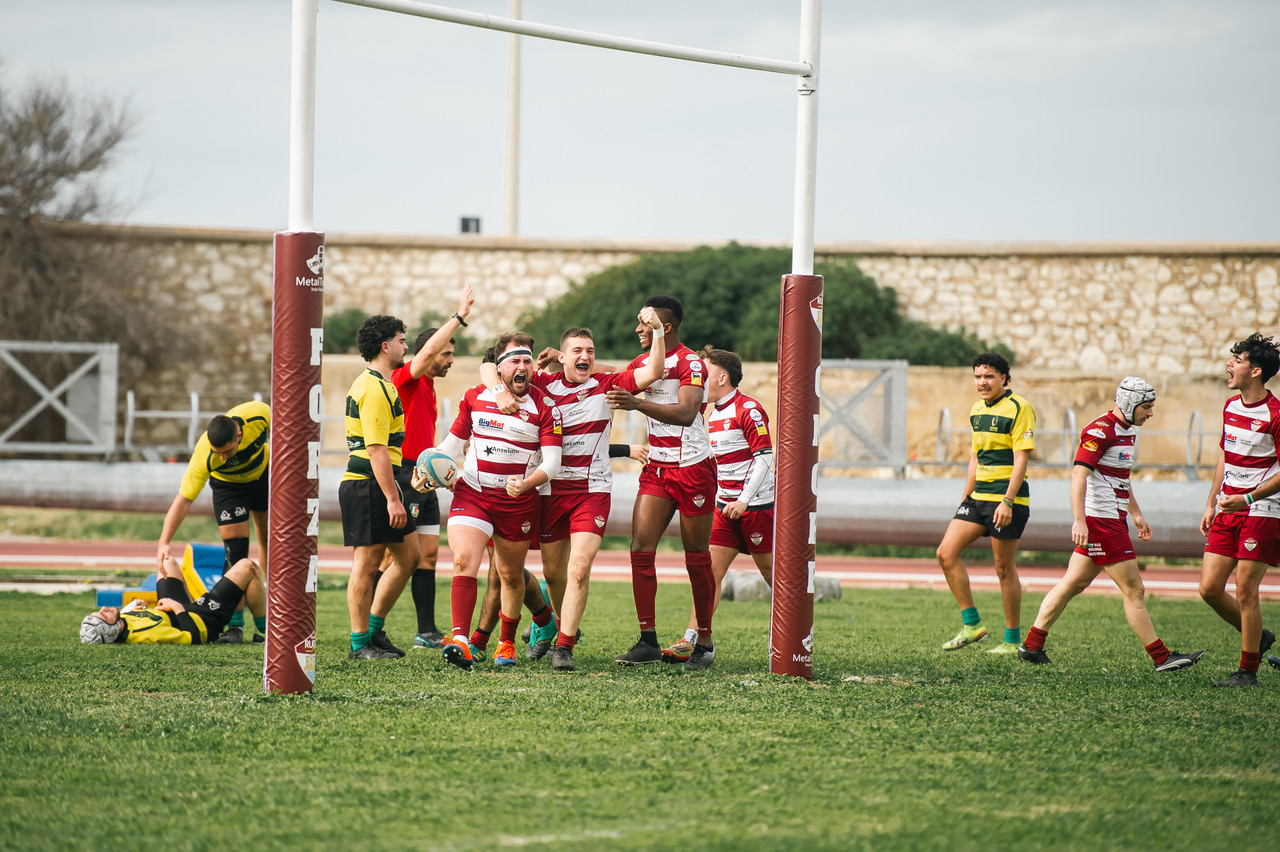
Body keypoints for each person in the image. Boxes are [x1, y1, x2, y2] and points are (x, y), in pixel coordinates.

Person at [487, 309, 667, 672]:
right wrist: (493, 383)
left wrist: (659, 332)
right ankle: (560, 627)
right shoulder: (539, 386)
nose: (585, 356)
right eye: (577, 351)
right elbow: (492, 368)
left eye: (590, 350)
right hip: (550, 491)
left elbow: (653, 372)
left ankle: (564, 647)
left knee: (579, 568)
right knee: (554, 574)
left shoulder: (606, 385)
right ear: (563, 355)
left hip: (591, 491)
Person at [1017, 378, 1204, 671]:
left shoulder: (1127, 431)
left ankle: (1032, 644)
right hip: (1101, 522)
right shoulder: (1099, 431)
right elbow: (1078, 476)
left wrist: (1136, 513)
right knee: (1134, 590)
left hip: (1112, 519)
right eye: (1146, 407)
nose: (1150, 413)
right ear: (1129, 404)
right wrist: (1080, 520)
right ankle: (1161, 657)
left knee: (1072, 583)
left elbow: (1120, 478)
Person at [433, 332, 563, 671]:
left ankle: (506, 642)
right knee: (464, 561)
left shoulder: (545, 407)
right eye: (515, 361)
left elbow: (552, 463)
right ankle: (460, 640)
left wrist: (527, 483)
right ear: (499, 367)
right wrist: (427, 469)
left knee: (508, 574)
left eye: (527, 361)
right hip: (473, 492)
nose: (522, 367)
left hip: (516, 501)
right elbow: (449, 447)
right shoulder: (476, 396)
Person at [606, 295, 719, 673]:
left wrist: (637, 405)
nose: (637, 328)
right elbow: (614, 379)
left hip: (693, 469)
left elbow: (687, 414)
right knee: (640, 548)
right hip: (658, 468)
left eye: (645, 323)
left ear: (664, 327)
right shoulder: (643, 363)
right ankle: (648, 640)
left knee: (696, 556)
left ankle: (703, 641)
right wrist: (569, 361)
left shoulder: (691, 363)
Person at [373, 283, 474, 651]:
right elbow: (429, 348)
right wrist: (458, 317)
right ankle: (369, 628)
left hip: (425, 477)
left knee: (428, 555)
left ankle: (426, 630)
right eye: (446, 353)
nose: (450, 359)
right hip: (404, 474)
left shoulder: (430, 386)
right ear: (427, 355)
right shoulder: (406, 378)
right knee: (390, 556)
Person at [662, 347, 775, 663]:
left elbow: (765, 458)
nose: (698, 379)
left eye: (705, 373)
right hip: (724, 510)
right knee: (709, 575)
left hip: (756, 510)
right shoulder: (708, 413)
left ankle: (788, 639)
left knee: (774, 576)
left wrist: (744, 500)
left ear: (722, 378)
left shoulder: (749, 409)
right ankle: (695, 642)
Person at [936, 352, 1034, 655]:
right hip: (978, 498)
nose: (982, 382)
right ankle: (972, 625)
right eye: (978, 376)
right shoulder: (976, 409)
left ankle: (1012, 639)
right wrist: (967, 494)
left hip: (1007, 500)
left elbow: (1022, 459)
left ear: (1003, 378)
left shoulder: (1020, 407)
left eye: (989, 376)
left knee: (1003, 568)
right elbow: (975, 455)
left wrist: (1007, 500)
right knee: (945, 554)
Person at [1198, 333, 1280, 687]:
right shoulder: (1231, 407)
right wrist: (1211, 502)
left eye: (1238, 360)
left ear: (1256, 371)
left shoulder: (1276, 415)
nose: (1230, 364)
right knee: (1209, 589)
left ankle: (1248, 672)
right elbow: (1225, 455)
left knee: (1246, 590)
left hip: (1262, 509)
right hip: (1227, 507)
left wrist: (1247, 498)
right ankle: (1258, 637)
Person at [338, 315, 420, 660]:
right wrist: (392, 498)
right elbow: (375, 449)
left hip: (382, 483)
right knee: (367, 563)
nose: (406, 345)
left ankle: (373, 630)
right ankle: (360, 645)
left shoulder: (384, 384)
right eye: (402, 340)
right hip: (367, 484)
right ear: (386, 346)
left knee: (409, 556)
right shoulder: (372, 387)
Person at [155, 400, 270, 644]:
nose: (222, 457)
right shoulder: (205, 455)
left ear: (239, 435)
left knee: (269, 542)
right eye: (218, 453)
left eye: (227, 452)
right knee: (236, 555)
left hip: (264, 476)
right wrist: (164, 541)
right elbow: (183, 500)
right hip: (229, 489)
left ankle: (271, 626)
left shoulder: (258, 415)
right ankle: (235, 628)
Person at [80, 556, 265, 645]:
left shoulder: (122, 621)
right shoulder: (147, 636)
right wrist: (177, 608)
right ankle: (266, 632)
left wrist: (132, 608)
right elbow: (192, 638)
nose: (104, 608)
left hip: (178, 609)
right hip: (202, 620)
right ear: (110, 630)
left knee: (166, 563)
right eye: (103, 615)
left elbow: (131, 620)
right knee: (247, 567)